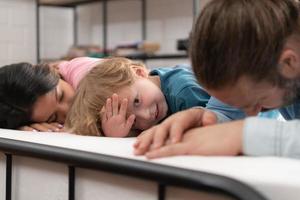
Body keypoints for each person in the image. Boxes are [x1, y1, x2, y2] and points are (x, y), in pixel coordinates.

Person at [133, 0, 300, 159]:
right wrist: (204, 118)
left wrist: (242, 135)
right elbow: (226, 113)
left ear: (288, 62)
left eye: (259, 102)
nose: (251, 114)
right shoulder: (251, 68)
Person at [64, 57, 215, 137]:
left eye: (137, 101)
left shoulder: (185, 93)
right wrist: (119, 134)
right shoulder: (147, 86)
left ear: (140, 72)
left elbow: (215, 125)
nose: (146, 116)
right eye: (134, 122)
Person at [0, 57, 104, 132]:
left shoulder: (88, 75)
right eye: (54, 117)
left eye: (61, 96)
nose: (68, 109)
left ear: (54, 72)